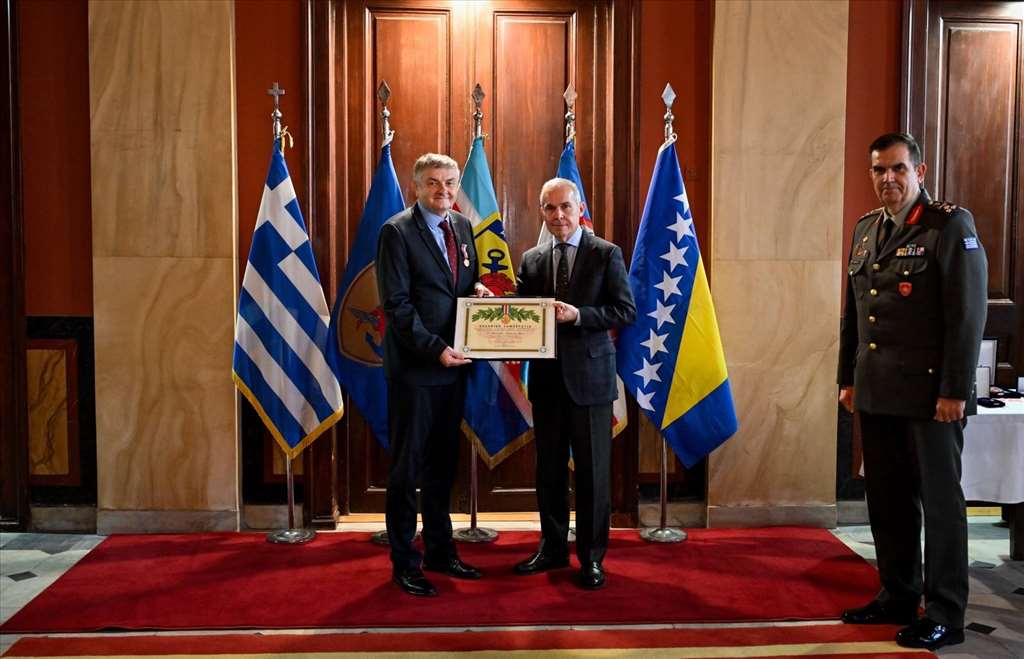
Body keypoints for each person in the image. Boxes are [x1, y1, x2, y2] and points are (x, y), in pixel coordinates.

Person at [837, 133, 987, 650]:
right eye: (879, 170)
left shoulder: (949, 225)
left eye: (898, 169)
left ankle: (945, 611)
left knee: (941, 505)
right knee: (888, 499)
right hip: (878, 391)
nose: (888, 179)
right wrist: (848, 378)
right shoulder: (865, 230)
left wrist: (955, 390)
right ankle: (898, 594)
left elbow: (967, 316)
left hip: (931, 397)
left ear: (919, 172)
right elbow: (855, 314)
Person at [376, 153, 493, 597]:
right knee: (407, 471)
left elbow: (459, 284)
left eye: (449, 182)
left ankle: (441, 551)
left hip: (454, 368)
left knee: (442, 467)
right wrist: (435, 350)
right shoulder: (396, 232)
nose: (443, 190)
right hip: (416, 370)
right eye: (433, 183)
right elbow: (397, 306)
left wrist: (476, 290)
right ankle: (405, 563)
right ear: (417, 186)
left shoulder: (460, 225)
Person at [513, 177, 636, 590]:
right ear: (542, 212)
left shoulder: (606, 253)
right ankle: (551, 548)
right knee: (548, 472)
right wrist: (494, 306)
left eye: (566, 207)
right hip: (546, 382)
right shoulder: (532, 259)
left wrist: (579, 315)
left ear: (580, 208)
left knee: (592, 474)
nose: (559, 215)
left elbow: (625, 311)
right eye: (550, 208)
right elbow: (524, 314)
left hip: (591, 382)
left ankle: (591, 557)